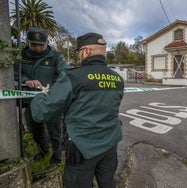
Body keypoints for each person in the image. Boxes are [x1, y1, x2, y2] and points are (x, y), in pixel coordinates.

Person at [30, 32, 124, 188]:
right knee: (107, 182)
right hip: (110, 143)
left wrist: (41, 95)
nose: (80, 56)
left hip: (82, 147)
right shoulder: (117, 79)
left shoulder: (72, 77)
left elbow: (42, 113)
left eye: (79, 52)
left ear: (86, 51)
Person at [14, 27, 70, 164]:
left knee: (55, 132)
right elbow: (13, 73)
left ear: (47, 42)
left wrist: (57, 91)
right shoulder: (21, 56)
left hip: (50, 101)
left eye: (41, 45)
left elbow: (66, 74)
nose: (38, 48)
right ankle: (43, 151)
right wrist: (25, 80)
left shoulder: (56, 57)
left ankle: (56, 158)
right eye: (34, 44)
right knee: (36, 131)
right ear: (28, 42)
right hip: (30, 101)